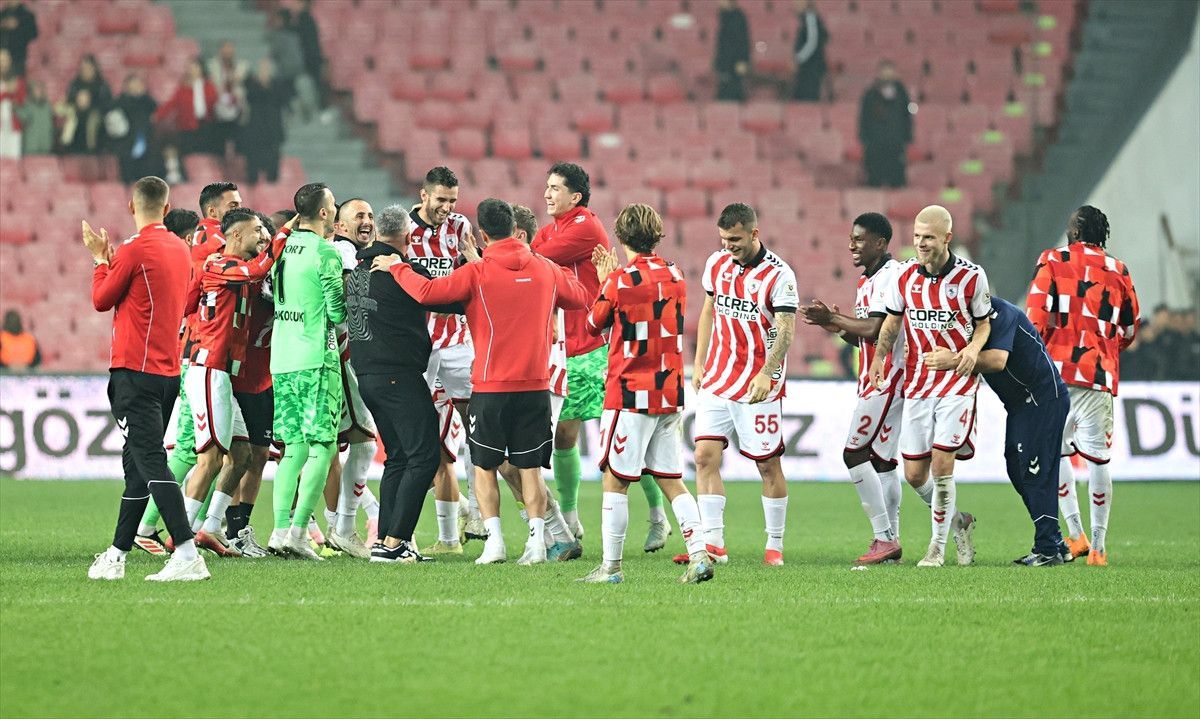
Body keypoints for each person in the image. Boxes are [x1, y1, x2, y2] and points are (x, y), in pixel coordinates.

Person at [379, 198, 591, 566]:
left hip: (492, 387)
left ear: (483, 235)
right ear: (515, 230)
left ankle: (495, 544)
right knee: (530, 469)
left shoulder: (477, 272)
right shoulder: (545, 268)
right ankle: (538, 544)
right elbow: (580, 298)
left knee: (484, 467)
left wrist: (397, 267)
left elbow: (427, 293)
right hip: (535, 386)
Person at [533, 162, 672, 552]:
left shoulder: (585, 227)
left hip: (597, 346)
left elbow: (536, 255)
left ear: (575, 196)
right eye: (547, 186)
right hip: (568, 350)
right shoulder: (553, 228)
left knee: (628, 439)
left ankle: (658, 517)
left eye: (555, 188)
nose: (547, 193)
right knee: (565, 435)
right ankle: (571, 519)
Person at [577, 203, 715, 585]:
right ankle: (699, 555)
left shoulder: (619, 281)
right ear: (657, 235)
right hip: (669, 392)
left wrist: (605, 280)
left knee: (615, 479)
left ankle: (610, 568)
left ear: (621, 237)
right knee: (671, 479)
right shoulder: (675, 274)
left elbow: (592, 325)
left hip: (630, 393)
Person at [84, 175, 210, 582]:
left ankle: (187, 553)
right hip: (167, 373)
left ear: (131, 207)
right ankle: (117, 554)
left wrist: (100, 261)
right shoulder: (180, 249)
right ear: (167, 209)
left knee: (150, 461)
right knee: (138, 465)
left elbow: (101, 299)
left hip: (134, 373)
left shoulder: (133, 249)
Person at [870, 205, 990, 568]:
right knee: (913, 475)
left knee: (941, 466)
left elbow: (984, 324)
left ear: (947, 238)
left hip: (957, 384)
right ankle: (959, 521)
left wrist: (971, 351)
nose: (921, 243)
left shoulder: (971, 277)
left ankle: (936, 549)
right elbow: (892, 322)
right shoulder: (904, 276)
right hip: (919, 385)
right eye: (917, 236)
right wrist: (879, 357)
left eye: (929, 237)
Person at [347, 205, 464, 563]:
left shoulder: (356, 272)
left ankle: (385, 541)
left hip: (367, 376)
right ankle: (396, 541)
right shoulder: (405, 272)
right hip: (399, 375)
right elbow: (450, 299)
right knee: (425, 456)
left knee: (397, 457)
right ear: (408, 236)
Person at [1026, 205, 1140, 566]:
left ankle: (1075, 535)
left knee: (1058, 453)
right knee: (1098, 460)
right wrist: (1104, 349)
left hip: (1055, 375)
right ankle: (1099, 549)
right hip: (1097, 375)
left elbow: (1034, 319)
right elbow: (1130, 328)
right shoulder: (1119, 270)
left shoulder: (1052, 260)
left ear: (1074, 231)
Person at [686, 203, 798, 567]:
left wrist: (767, 371)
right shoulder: (716, 263)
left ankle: (774, 545)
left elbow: (786, 330)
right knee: (704, 456)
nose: (728, 245)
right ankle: (714, 543)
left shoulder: (779, 275)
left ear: (754, 233)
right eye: (723, 239)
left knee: (767, 465)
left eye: (734, 239)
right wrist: (699, 361)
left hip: (757, 384)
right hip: (718, 378)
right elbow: (708, 310)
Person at [924, 297, 1071, 566]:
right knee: (1017, 469)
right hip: (1020, 405)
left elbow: (997, 360)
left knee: (1035, 472)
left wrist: (952, 360)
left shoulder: (1001, 314)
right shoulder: (961, 321)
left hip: (1042, 398)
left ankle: (1048, 548)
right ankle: (1055, 540)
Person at [135, 183, 241, 554]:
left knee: (216, 451)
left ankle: (195, 526)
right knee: (189, 449)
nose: (238, 210)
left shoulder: (193, 247)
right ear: (213, 212)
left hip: (195, 352)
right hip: (197, 355)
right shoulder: (213, 243)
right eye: (232, 205)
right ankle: (148, 527)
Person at [179, 208, 289, 557]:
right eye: (258, 230)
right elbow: (256, 270)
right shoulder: (224, 265)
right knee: (210, 460)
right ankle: (181, 537)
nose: (263, 236)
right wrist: (286, 232)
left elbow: (189, 302)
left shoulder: (227, 269)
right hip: (208, 368)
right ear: (237, 235)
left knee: (241, 455)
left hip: (224, 373)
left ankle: (212, 527)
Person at [800, 213, 904, 564]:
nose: (851, 245)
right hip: (877, 378)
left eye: (859, 239)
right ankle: (892, 540)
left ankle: (884, 538)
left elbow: (876, 329)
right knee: (883, 462)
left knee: (854, 453)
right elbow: (862, 336)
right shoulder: (867, 280)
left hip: (886, 378)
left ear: (880, 243)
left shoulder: (891, 275)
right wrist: (837, 326)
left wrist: (833, 318)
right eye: (850, 238)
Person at [267, 182, 346, 560]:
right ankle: (299, 532)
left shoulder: (280, 247)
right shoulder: (325, 252)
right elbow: (337, 312)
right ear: (325, 212)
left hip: (282, 357)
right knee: (324, 446)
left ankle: (280, 530)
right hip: (315, 357)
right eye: (333, 203)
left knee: (293, 448)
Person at [405, 167, 483, 537]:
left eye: (452, 200)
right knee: (417, 432)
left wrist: (474, 260)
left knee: (476, 425)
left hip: (456, 340)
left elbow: (475, 273)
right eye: (441, 199)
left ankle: (479, 513)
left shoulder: (460, 227)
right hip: (418, 344)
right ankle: (425, 524)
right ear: (423, 195)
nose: (447, 207)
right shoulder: (405, 229)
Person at [322, 197, 381, 558]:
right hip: (345, 356)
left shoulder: (353, 253)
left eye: (370, 215)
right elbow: (349, 298)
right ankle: (340, 528)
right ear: (340, 226)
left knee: (341, 446)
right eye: (359, 215)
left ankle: (335, 526)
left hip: (343, 355)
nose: (367, 221)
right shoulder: (344, 252)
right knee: (363, 442)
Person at [224, 210, 279, 558]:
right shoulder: (241, 273)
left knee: (259, 455)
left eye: (265, 235)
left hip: (265, 378)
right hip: (236, 378)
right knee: (235, 457)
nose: (262, 239)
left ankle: (240, 528)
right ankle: (226, 528)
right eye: (257, 233)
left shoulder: (276, 275)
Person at [858, 60, 912, 188]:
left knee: (897, 183)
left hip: (896, 143)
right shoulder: (870, 94)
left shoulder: (902, 94)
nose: (887, 74)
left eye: (890, 71)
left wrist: (907, 137)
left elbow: (907, 117)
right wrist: (864, 138)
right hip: (875, 144)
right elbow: (864, 118)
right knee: (874, 181)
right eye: (884, 71)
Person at [153, 60, 217, 155]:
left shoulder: (209, 86)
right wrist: (157, 115)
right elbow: (171, 104)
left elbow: (215, 102)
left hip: (206, 125)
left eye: (195, 67)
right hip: (187, 128)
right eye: (190, 68)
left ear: (201, 69)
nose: (192, 70)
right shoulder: (182, 88)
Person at [243, 58, 289, 184]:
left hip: (273, 130)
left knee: (273, 164)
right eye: (262, 69)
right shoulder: (252, 85)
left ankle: (272, 188)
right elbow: (250, 97)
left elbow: (283, 100)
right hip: (255, 130)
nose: (264, 72)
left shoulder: (278, 86)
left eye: (267, 69)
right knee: (253, 165)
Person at [109, 73, 158, 182]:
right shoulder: (120, 101)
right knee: (128, 173)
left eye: (138, 84)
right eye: (133, 85)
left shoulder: (146, 101)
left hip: (145, 140)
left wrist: (143, 96)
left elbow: (156, 110)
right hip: (126, 142)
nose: (136, 87)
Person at [206, 40, 247, 155]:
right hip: (218, 109)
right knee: (219, 146)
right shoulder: (212, 66)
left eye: (230, 48)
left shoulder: (242, 67)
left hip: (237, 108)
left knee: (237, 146)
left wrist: (237, 80)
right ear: (220, 50)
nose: (227, 51)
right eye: (225, 48)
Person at [790, 0, 828, 102]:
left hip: (811, 68)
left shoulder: (810, 17)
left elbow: (812, 43)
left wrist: (798, 59)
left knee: (808, 100)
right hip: (807, 68)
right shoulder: (805, 19)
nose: (795, 4)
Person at [713, 0, 750, 102]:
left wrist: (743, 60)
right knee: (724, 92)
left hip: (735, 63)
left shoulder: (739, 17)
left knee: (735, 92)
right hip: (725, 63)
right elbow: (722, 43)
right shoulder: (723, 16)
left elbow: (743, 41)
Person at [56, 86, 105, 154]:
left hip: (88, 149)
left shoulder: (94, 114)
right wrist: (64, 100)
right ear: (77, 99)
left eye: (85, 98)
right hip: (70, 147)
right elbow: (57, 109)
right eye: (80, 98)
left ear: (89, 100)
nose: (83, 101)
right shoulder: (71, 109)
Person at [0, 1, 38, 76]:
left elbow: (34, 34)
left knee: (17, 79)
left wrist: (19, 26)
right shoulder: (3, 13)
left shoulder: (26, 14)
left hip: (17, 57)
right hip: (2, 56)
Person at [13, 78, 49, 155]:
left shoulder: (47, 105)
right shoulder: (28, 104)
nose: (39, 91)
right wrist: (16, 108)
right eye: (36, 89)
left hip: (45, 144)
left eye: (40, 89)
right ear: (31, 91)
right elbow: (23, 116)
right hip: (32, 145)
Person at [0, 47, 23, 158]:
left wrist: (8, 92)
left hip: (14, 127)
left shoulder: (18, 79)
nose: (3, 64)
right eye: (1, 61)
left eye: (5, 60)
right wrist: (6, 92)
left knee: (14, 159)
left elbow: (21, 100)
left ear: (10, 62)